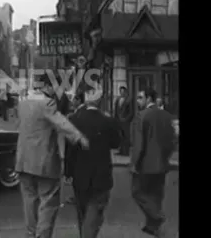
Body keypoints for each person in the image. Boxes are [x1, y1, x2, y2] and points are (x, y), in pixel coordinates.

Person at [16, 74, 90, 238]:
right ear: (48, 87)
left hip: (23, 161)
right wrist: (79, 137)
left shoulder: (22, 103)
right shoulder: (47, 103)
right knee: (48, 201)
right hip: (43, 162)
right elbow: (61, 123)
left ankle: (30, 233)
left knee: (29, 201)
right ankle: (41, 235)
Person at [67, 98, 122, 238]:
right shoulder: (108, 120)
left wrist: (68, 171)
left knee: (82, 212)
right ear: (100, 102)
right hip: (101, 173)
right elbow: (116, 143)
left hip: (80, 173)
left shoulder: (74, 120)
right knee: (95, 212)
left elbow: (70, 149)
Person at [131, 88, 176, 237]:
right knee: (156, 194)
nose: (137, 101)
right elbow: (172, 141)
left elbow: (139, 144)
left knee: (138, 192)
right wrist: (166, 156)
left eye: (140, 97)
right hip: (162, 163)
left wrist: (134, 163)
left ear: (149, 98)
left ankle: (157, 217)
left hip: (145, 164)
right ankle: (153, 227)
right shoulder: (167, 116)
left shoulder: (142, 116)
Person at [114, 86, 133, 156]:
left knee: (126, 136)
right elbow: (116, 111)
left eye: (123, 92)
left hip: (125, 122)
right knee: (120, 136)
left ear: (125, 92)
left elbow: (131, 112)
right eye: (120, 92)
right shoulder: (117, 100)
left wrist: (126, 119)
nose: (121, 93)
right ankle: (121, 151)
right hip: (118, 121)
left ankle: (126, 152)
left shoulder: (129, 100)